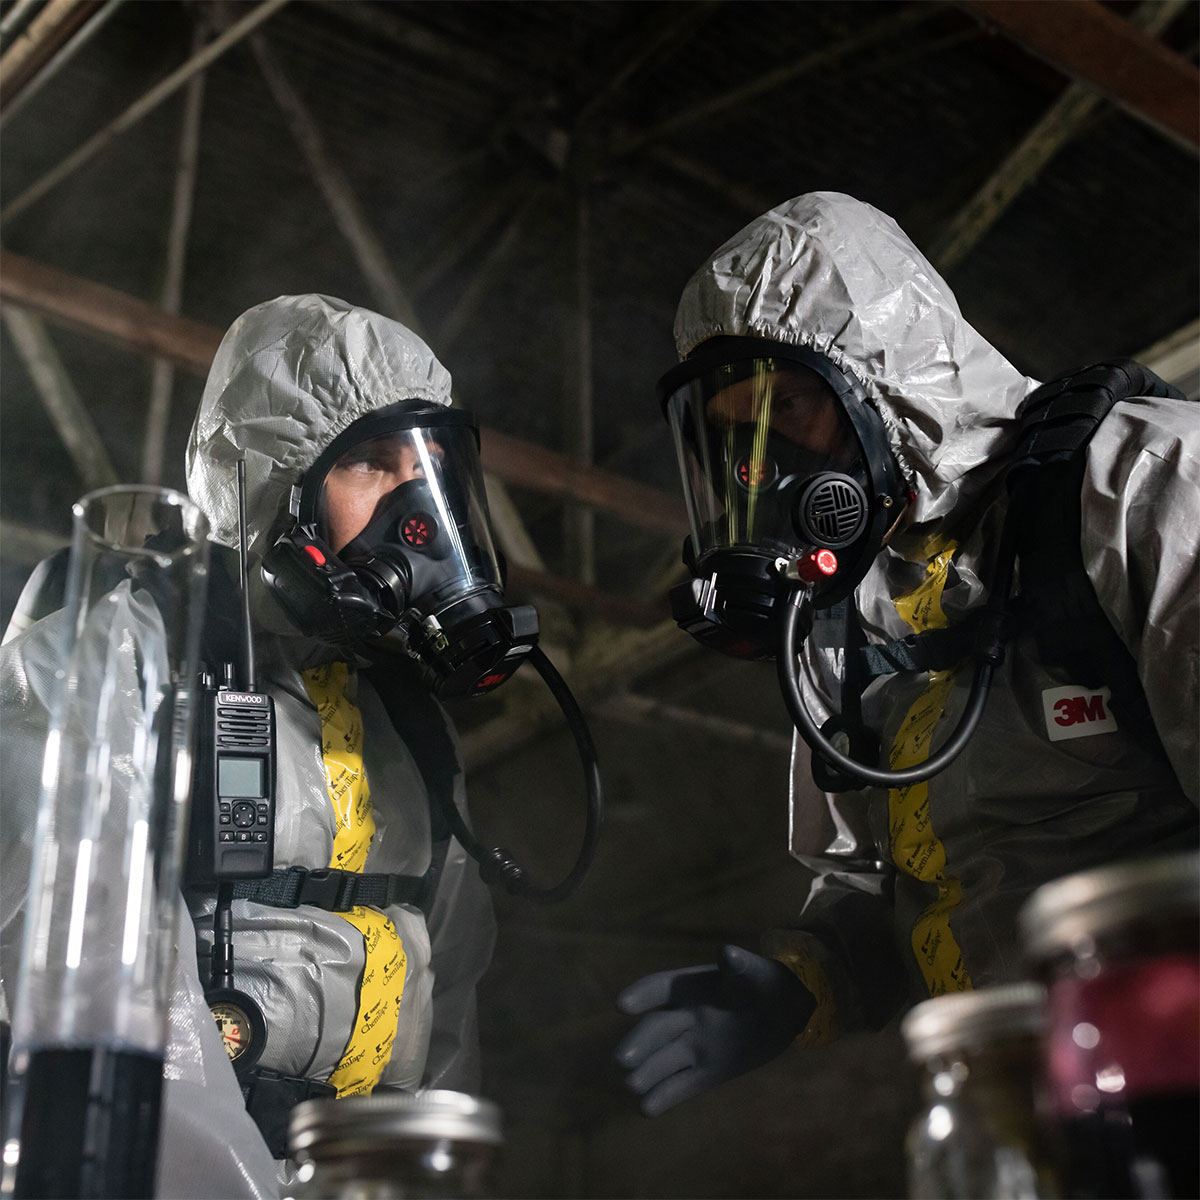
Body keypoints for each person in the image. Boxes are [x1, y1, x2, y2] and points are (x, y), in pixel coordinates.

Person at [616, 192, 1199, 1116]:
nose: (763, 475)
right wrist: (817, 975)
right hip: (1016, 1115)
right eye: (738, 439)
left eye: (791, 410)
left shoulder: (1142, 488)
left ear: (882, 381)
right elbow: (915, 886)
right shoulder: (843, 623)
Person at [1, 295, 498, 1197]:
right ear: (274, 480)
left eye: (428, 471)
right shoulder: (116, 656)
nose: (416, 512)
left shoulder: (407, 721)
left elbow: (449, 986)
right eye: (373, 467)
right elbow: (80, 963)